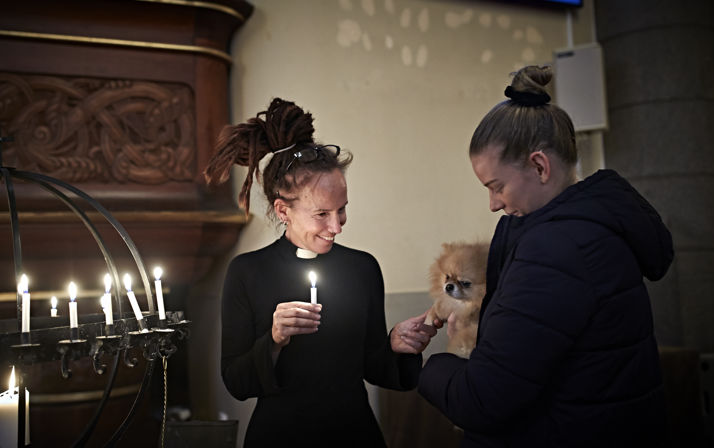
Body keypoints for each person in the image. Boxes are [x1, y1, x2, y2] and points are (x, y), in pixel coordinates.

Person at [418, 65, 674, 447]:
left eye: (496, 186)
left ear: (539, 165)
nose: (492, 204)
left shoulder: (559, 248)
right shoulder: (589, 226)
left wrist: (430, 367)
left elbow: (484, 399)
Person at [204, 97, 437, 447]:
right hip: (280, 436)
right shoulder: (247, 272)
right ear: (283, 210)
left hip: (353, 433)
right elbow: (237, 383)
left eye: (342, 210)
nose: (337, 226)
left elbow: (373, 366)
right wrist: (275, 340)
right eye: (322, 214)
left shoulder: (362, 267)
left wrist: (395, 346)